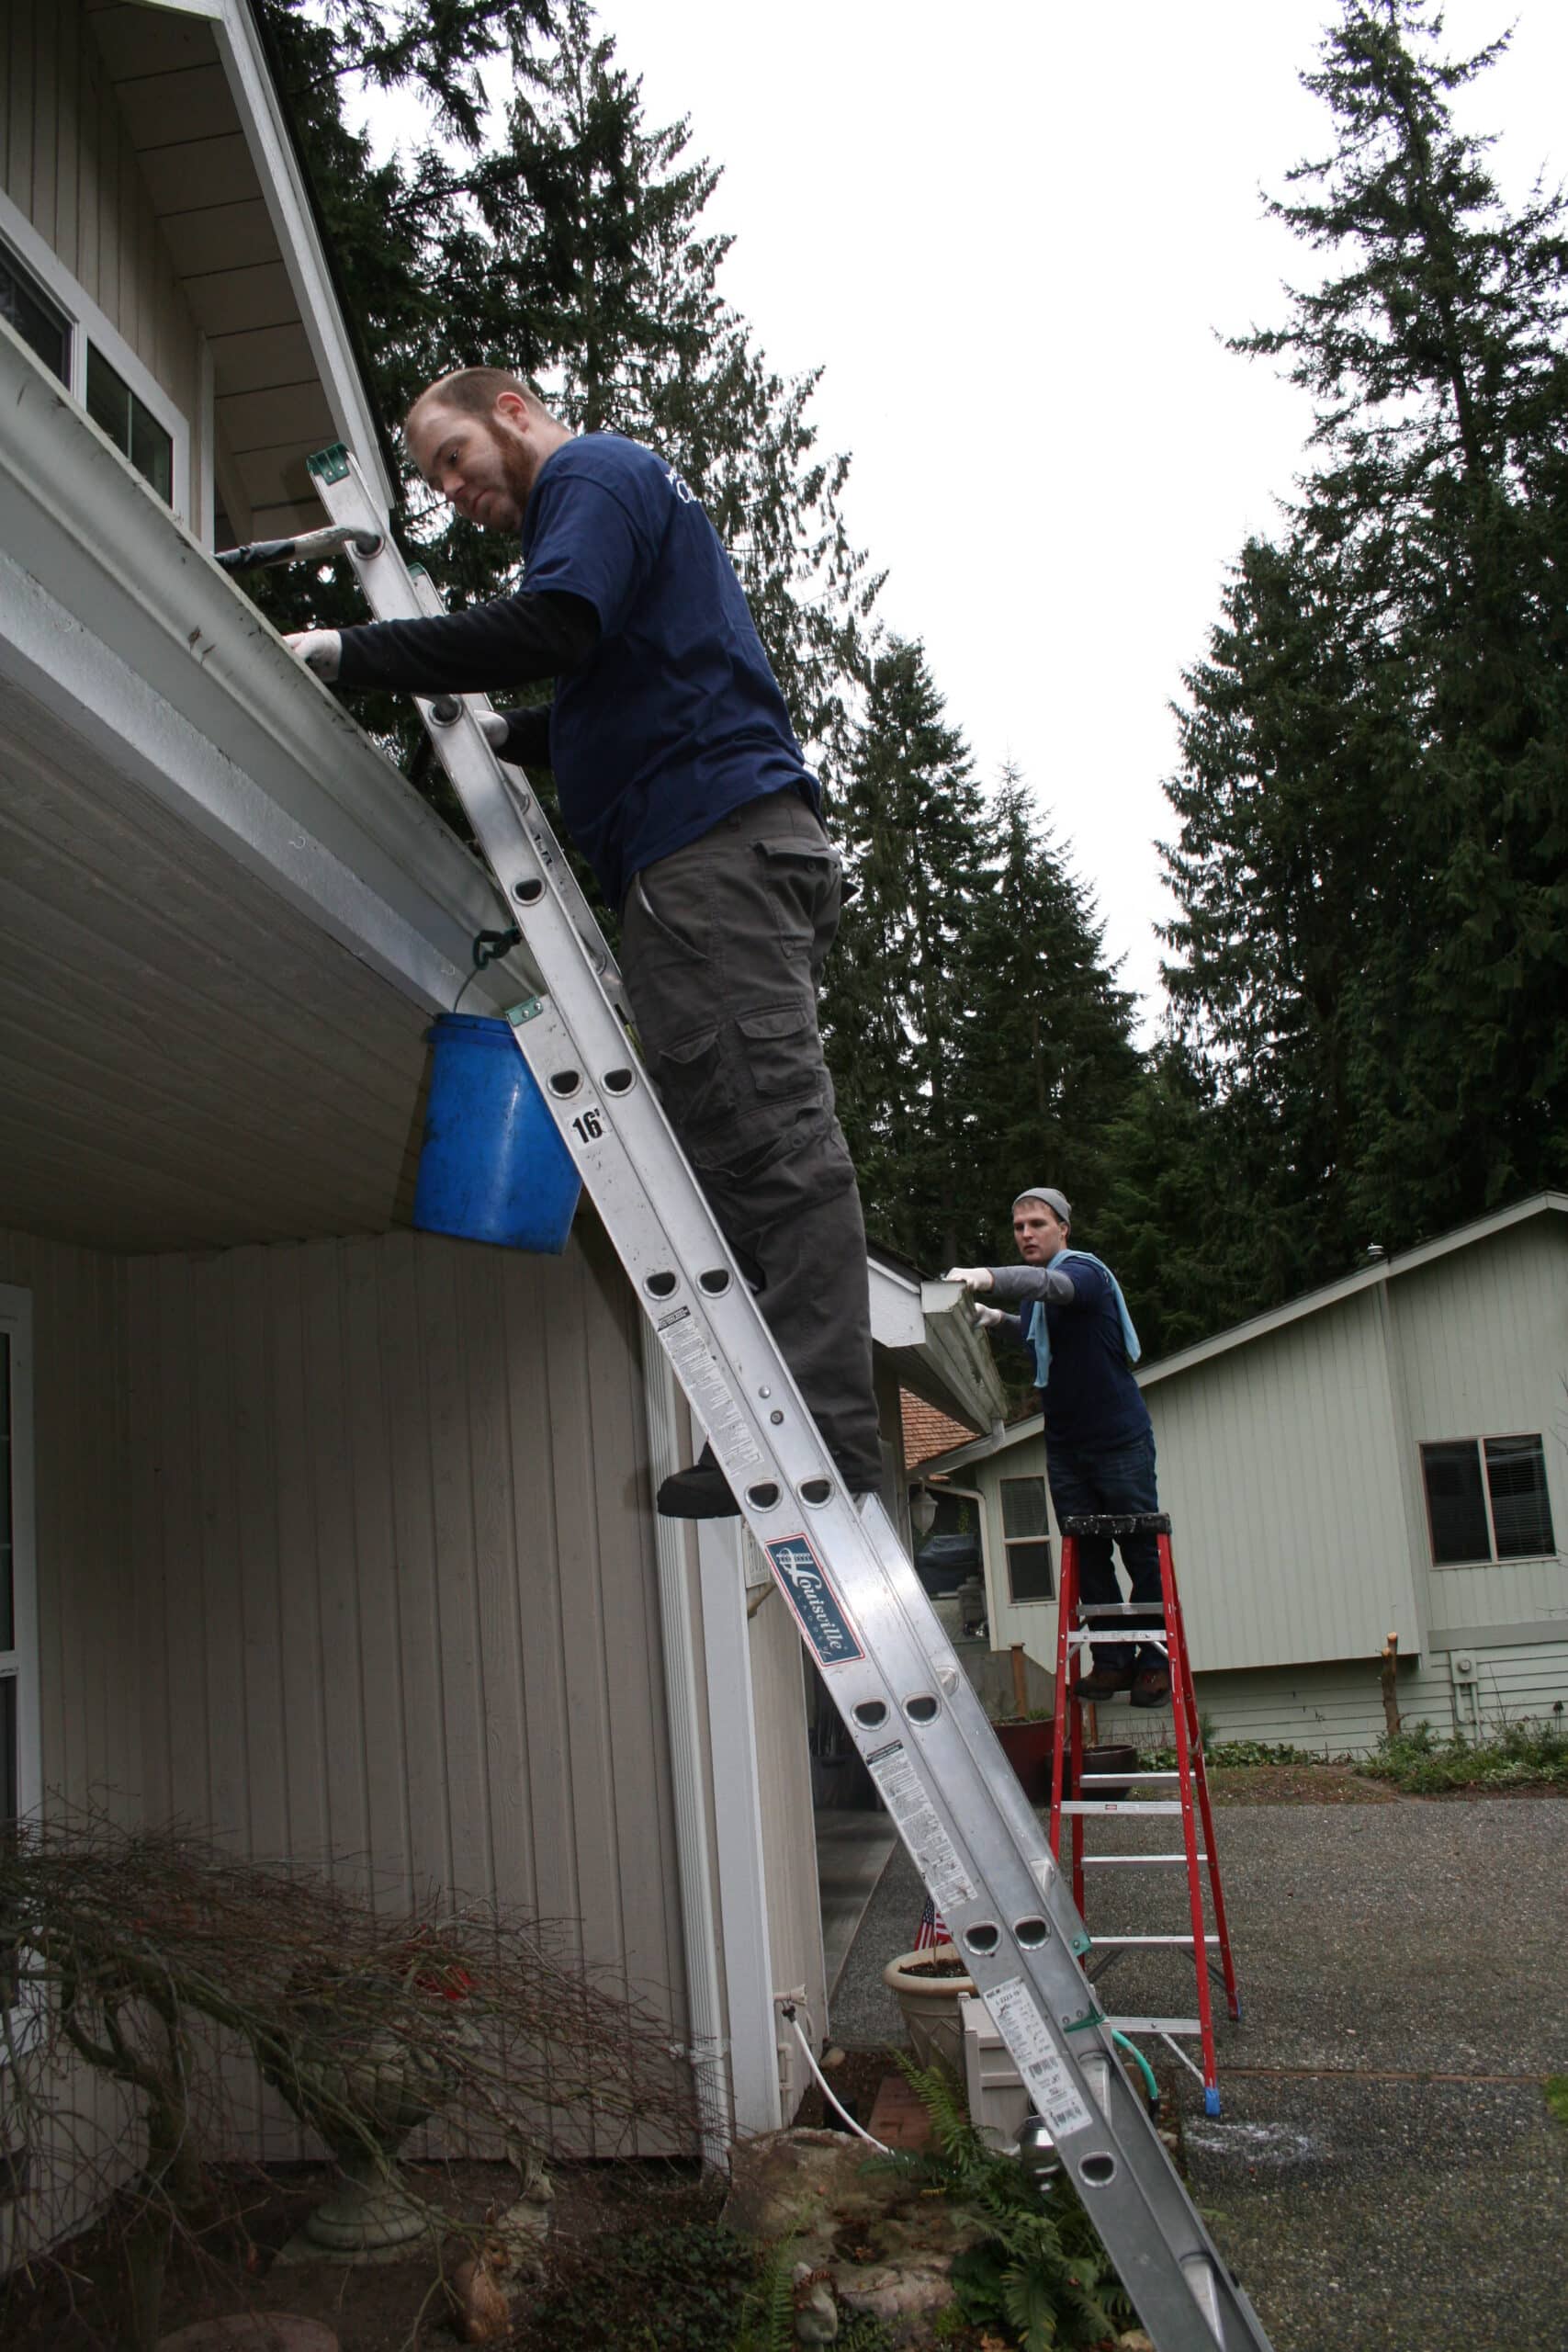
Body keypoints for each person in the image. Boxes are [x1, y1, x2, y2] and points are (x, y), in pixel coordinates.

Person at [281, 368, 881, 1519]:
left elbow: (556, 625)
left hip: (709, 854)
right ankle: (799, 1425)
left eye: (454, 457)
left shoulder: (591, 474)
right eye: (435, 481)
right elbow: (622, 689)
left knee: (771, 1142)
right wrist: (506, 734)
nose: (454, 491)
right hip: (713, 853)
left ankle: (830, 1437)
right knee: (734, 1140)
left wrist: (356, 652)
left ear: (510, 410)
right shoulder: (616, 504)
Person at [946, 1188, 1170, 1706]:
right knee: (1087, 1552)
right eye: (1018, 1226)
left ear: (1063, 1229)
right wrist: (999, 1320)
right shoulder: (1035, 1299)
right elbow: (1041, 1332)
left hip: (1118, 1439)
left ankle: (1155, 1662)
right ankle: (1113, 1661)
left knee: (1139, 1547)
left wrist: (988, 1277)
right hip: (1067, 1446)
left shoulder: (1084, 1273)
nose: (1026, 1234)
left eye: (1037, 1224)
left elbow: (1052, 1288)